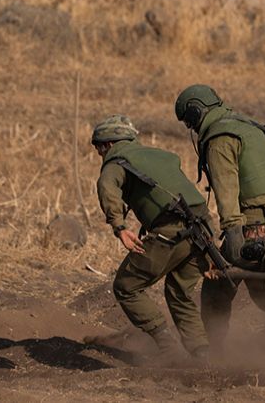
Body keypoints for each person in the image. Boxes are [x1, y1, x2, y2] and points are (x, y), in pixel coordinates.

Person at [174, 84, 265, 351]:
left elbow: (226, 191)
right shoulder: (247, 126)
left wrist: (233, 236)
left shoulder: (219, 139)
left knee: (221, 288)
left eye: (188, 121)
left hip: (252, 226)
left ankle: (211, 353)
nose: (191, 128)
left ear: (195, 113)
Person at [91, 114, 210, 359]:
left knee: (126, 286)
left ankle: (169, 349)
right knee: (180, 292)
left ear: (109, 145)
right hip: (203, 230)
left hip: (171, 231)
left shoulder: (117, 161)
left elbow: (106, 186)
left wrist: (120, 227)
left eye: (99, 149)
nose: (100, 154)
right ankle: (203, 354)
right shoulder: (161, 155)